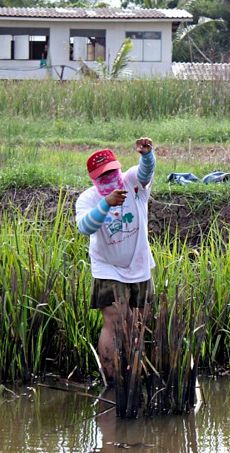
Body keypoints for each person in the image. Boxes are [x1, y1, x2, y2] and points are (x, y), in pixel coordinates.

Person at [75, 138, 156, 384]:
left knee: (140, 322)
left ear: (119, 169)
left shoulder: (132, 183)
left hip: (139, 264)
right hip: (108, 268)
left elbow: (145, 172)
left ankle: (136, 376)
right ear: (94, 179)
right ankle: (111, 380)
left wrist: (147, 156)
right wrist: (105, 203)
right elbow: (84, 227)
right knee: (114, 321)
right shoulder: (88, 199)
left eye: (112, 172)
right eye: (103, 176)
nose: (110, 179)